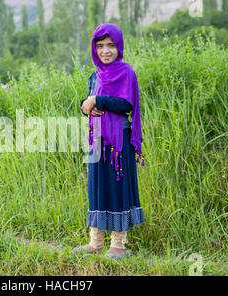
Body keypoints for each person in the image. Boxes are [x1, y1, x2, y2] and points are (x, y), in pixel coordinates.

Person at [74, 23, 145, 260]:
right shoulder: (95, 75)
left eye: (111, 45)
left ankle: (119, 244)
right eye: (100, 46)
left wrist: (98, 100)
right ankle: (95, 242)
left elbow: (126, 104)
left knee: (116, 187)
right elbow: (88, 104)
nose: (105, 51)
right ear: (95, 48)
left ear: (119, 46)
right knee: (97, 188)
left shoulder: (126, 72)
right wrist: (87, 106)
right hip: (96, 140)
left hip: (118, 142)